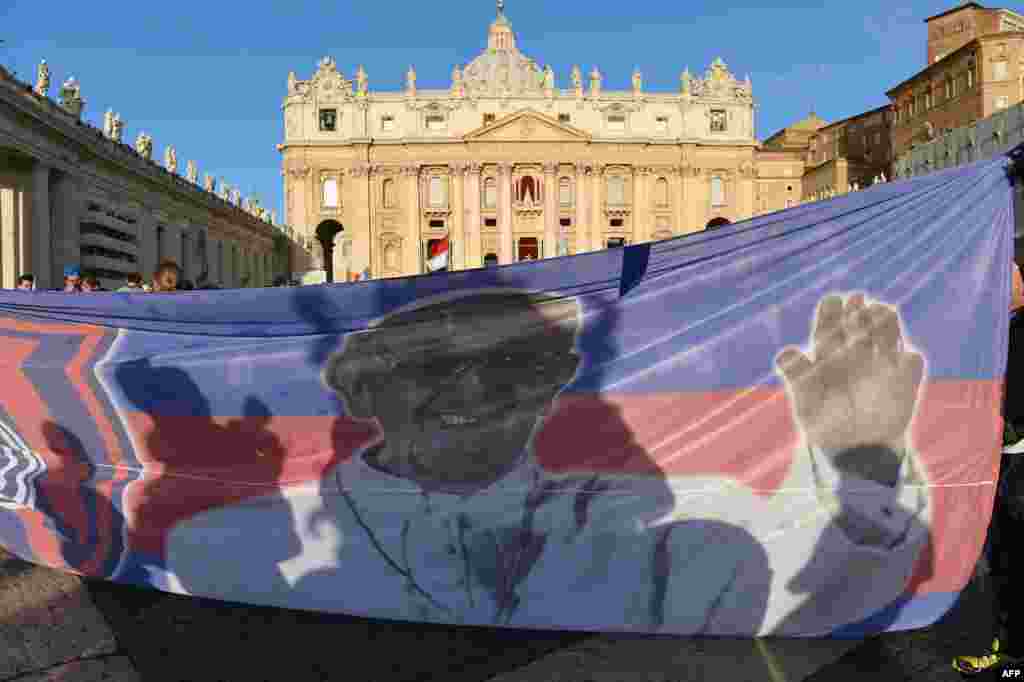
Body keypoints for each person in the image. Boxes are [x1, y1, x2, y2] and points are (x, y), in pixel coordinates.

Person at [165, 289, 929, 635]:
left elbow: (824, 597)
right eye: (427, 369)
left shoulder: (698, 516)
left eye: (512, 366)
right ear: (367, 388)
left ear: (553, 386)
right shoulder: (225, 543)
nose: (470, 391)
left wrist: (860, 458)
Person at [953, 260, 1024, 676]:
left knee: (1010, 558)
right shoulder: (1002, 328)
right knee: (1003, 558)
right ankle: (1008, 647)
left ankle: (1011, 656)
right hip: (1004, 462)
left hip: (1016, 463)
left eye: (1012, 272)